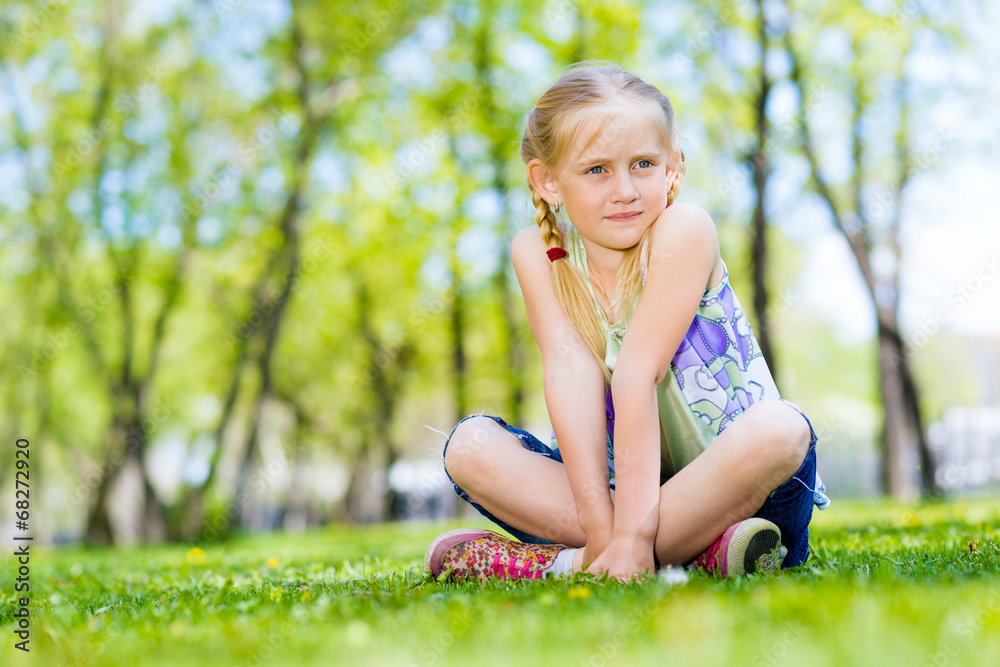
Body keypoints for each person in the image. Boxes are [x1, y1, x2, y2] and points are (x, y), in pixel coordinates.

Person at [424, 62, 829, 583]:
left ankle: (564, 565)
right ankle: (690, 554)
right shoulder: (540, 252)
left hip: (749, 493)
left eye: (642, 164)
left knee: (781, 427)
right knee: (469, 446)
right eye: (597, 170)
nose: (625, 190)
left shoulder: (685, 229)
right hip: (620, 495)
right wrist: (600, 525)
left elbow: (638, 373)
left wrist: (636, 536)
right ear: (548, 181)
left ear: (672, 168)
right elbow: (570, 375)